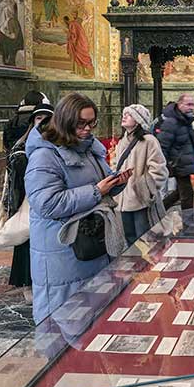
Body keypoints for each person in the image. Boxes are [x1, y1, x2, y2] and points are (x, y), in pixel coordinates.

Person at [24, 92, 132, 325]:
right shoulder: (44, 156)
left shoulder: (88, 149)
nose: (87, 129)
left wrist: (114, 183)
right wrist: (96, 191)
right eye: (81, 124)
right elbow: (47, 204)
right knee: (65, 324)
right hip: (63, 253)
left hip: (91, 245)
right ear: (65, 121)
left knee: (91, 321)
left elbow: (97, 186)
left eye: (92, 123)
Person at [4, 102, 54, 301]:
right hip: (28, 202)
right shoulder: (22, 147)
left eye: (47, 119)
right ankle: (27, 283)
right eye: (39, 118)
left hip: (49, 202)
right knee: (27, 242)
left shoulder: (59, 144)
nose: (42, 122)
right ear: (33, 121)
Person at [116, 104, 168, 245]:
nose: (124, 116)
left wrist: (145, 189)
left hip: (141, 200)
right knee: (129, 239)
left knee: (145, 238)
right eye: (124, 113)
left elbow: (159, 170)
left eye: (129, 114)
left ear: (138, 120)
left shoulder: (149, 140)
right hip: (122, 200)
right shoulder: (122, 142)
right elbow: (116, 165)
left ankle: (149, 259)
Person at [158, 94, 194, 210]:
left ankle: (159, 211)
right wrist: (163, 165)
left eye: (193, 105)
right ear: (180, 105)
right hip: (178, 163)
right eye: (188, 104)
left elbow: (191, 141)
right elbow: (162, 146)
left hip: (182, 162)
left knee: (180, 193)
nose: (191, 108)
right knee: (187, 195)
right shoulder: (172, 122)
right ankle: (188, 219)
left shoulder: (185, 121)